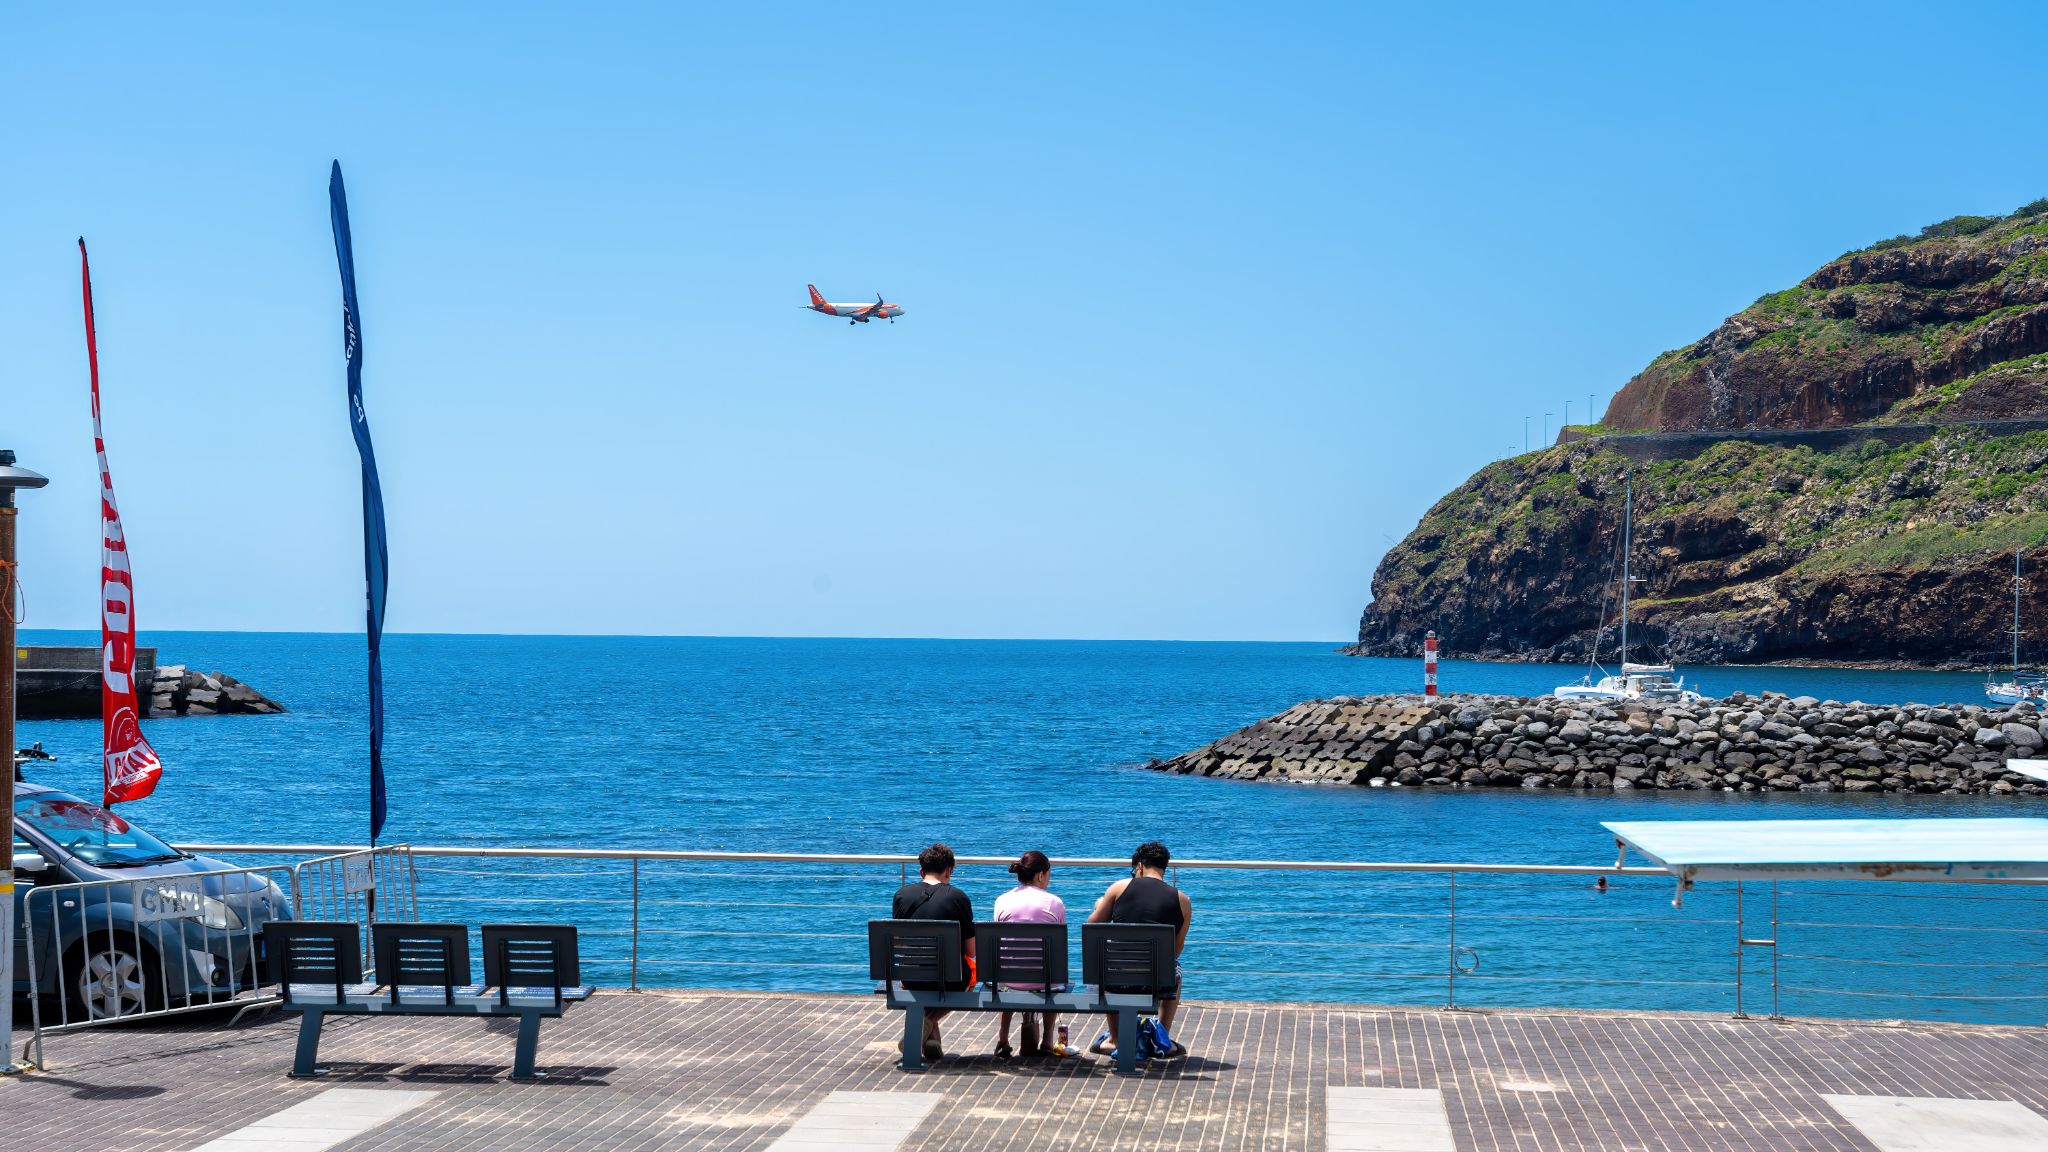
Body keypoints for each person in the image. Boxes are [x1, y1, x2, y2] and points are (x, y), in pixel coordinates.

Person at [1086, 840, 1192, 1059]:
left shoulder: (1119, 888)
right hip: (1156, 982)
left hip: (1115, 979)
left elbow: (1092, 926)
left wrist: (1099, 906)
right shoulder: (1183, 901)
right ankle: (1162, 1038)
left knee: (1107, 965)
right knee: (1177, 970)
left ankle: (1114, 1039)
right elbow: (1176, 951)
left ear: (1140, 866)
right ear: (1163, 867)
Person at [891, 842, 976, 1060]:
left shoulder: (902, 895)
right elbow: (971, 950)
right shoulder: (958, 897)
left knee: (926, 972)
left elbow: (900, 943)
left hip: (911, 977)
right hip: (952, 980)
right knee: (971, 972)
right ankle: (927, 1023)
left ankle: (931, 1039)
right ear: (949, 870)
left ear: (921, 871)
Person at [991, 850, 1073, 1060]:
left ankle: (1003, 1039)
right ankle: (1046, 1040)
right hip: (1045, 980)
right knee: (1052, 973)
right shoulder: (1055, 903)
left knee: (1007, 974)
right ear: (1040, 875)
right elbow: (1059, 948)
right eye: (1048, 874)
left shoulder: (1002, 900)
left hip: (1008, 979)